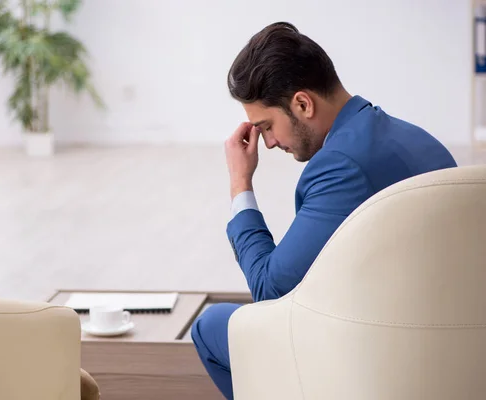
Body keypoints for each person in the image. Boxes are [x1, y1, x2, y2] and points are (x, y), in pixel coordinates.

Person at [190, 21, 457, 399]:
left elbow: (270, 290)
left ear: (302, 103)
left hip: (369, 362)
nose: (266, 143)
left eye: (266, 126)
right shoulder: (422, 141)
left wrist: (240, 184)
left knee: (212, 325)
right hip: (449, 353)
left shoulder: (340, 166)